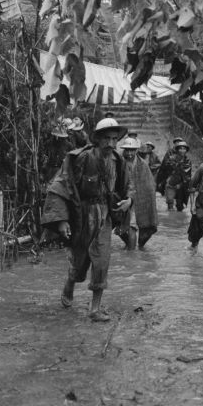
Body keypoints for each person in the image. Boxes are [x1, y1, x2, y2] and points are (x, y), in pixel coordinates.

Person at [41, 118, 134, 322]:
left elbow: (127, 187)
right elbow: (61, 186)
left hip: (105, 215)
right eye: (106, 139)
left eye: (114, 139)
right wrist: (62, 220)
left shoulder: (119, 162)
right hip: (82, 214)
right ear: (97, 139)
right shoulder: (82, 158)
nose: (110, 143)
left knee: (102, 261)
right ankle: (70, 284)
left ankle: (95, 308)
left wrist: (128, 201)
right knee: (79, 261)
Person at [117, 138, 158, 250]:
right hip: (122, 198)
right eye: (127, 150)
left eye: (132, 150)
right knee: (119, 227)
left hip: (138, 200)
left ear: (136, 151)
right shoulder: (118, 162)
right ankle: (130, 247)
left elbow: (149, 186)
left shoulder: (143, 165)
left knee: (132, 226)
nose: (129, 153)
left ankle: (131, 254)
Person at [159, 140, 191, 211]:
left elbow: (187, 176)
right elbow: (165, 170)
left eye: (184, 149)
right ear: (177, 149)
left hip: (181, 185)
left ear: (186, 150)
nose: (182, 150)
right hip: (171, 183)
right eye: (180, 148)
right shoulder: (171, 159)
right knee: (170, 204)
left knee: (180, 206)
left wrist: (181, 184)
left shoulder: (187, 161)